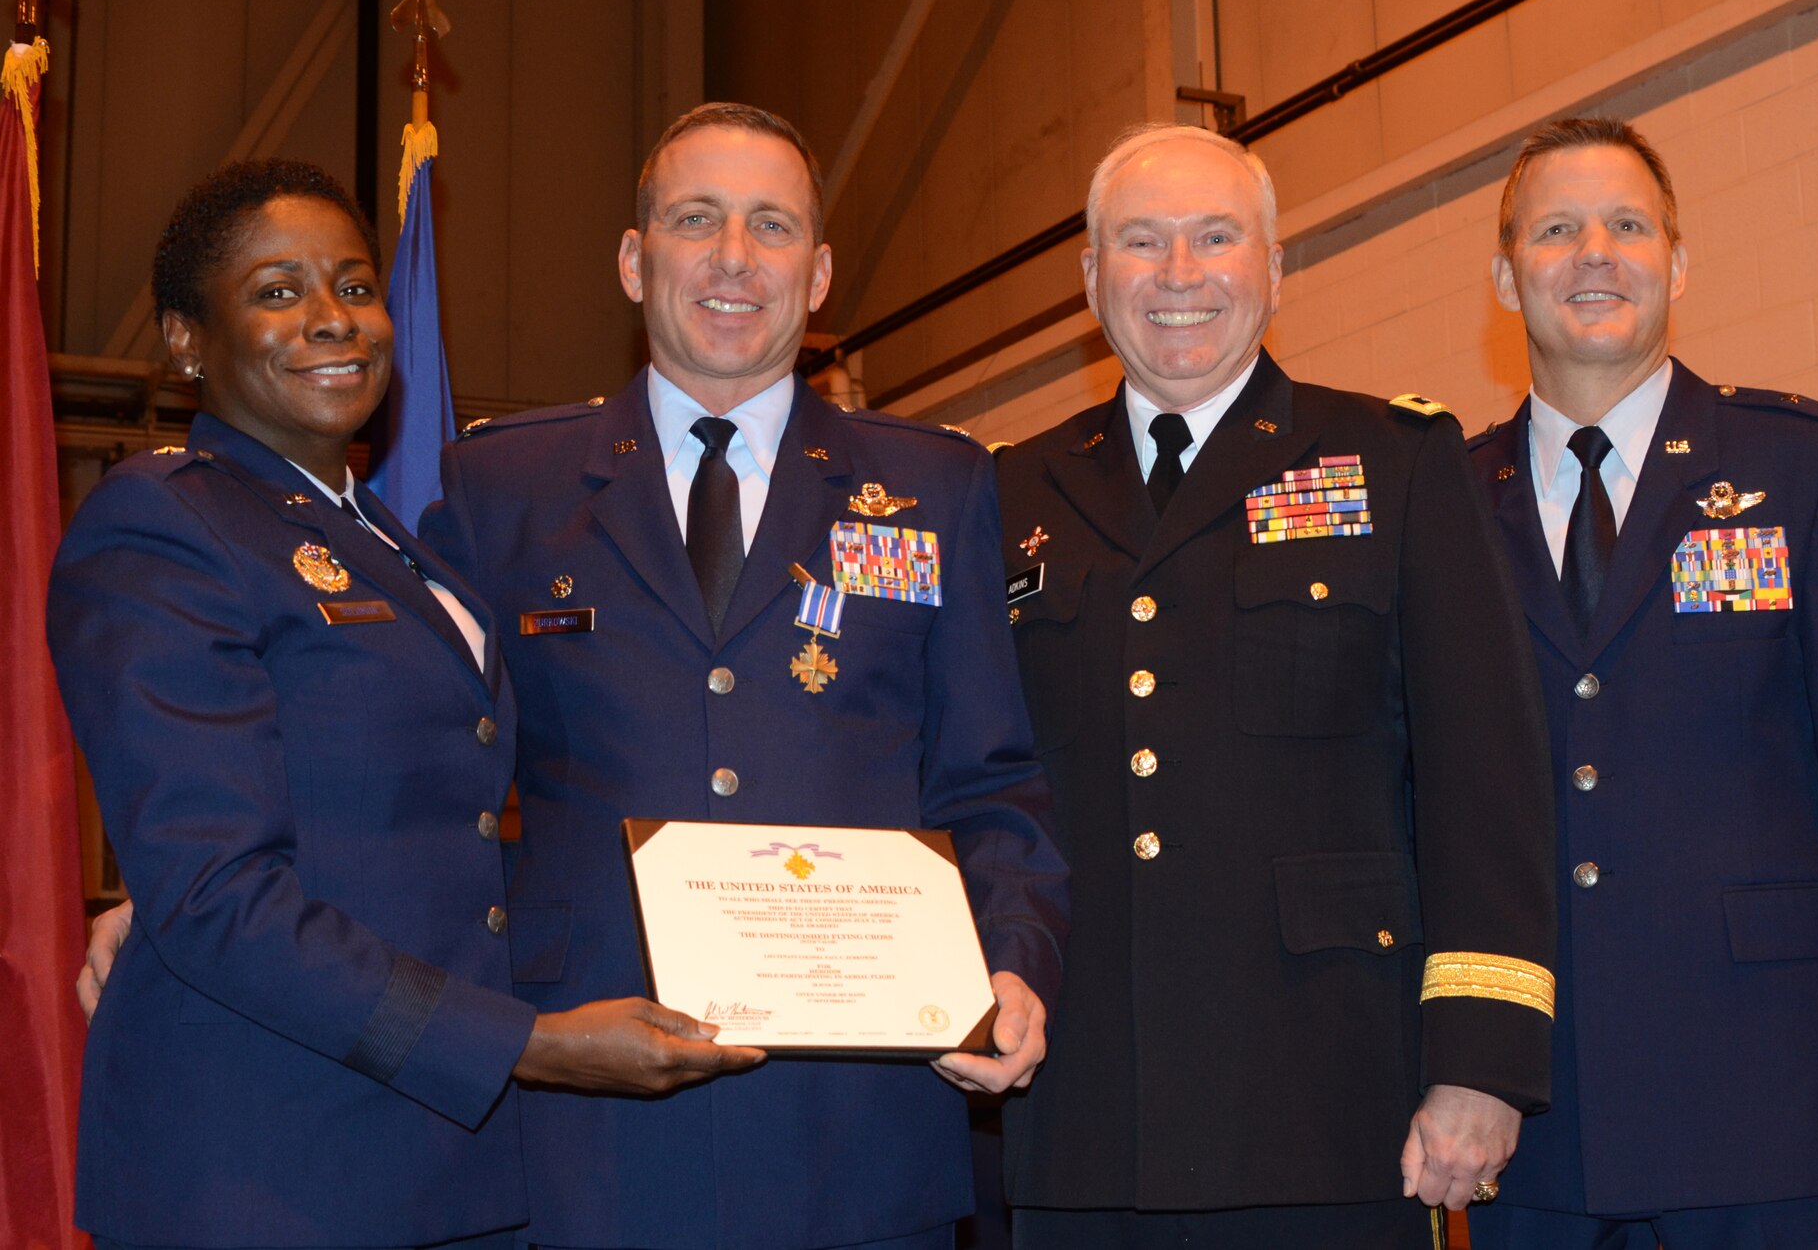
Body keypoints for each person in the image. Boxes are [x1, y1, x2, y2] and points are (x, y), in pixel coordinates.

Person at [50, 160, 758, 1250]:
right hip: (265, 1167)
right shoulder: (163, 526)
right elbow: (217, 890)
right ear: (189, 341)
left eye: (353, 285)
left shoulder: (393, 546)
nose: (333, 320)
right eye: (277, 292)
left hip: (430, 1158)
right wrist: (534, 1043)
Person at [425, 104, 1066, 1250]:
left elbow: (989, 779)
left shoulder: (937, 487)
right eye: (695, 219)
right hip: (586, 1117)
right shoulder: (500, 486)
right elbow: (416, 771)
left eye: (771, 226)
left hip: (857, 1122)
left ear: (816, 276)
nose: (732, 257)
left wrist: (1014, 963)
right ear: (635, 259)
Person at [993, 122, 1558, 1249]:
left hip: (1323, 1093)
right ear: (1090, 278)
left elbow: (1482, 776)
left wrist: (1481, 1061)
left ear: (1273, 265)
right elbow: (981, 782)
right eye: (1140, 243)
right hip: (1078, 1105)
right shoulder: (1008, 491)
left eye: (1214, 238)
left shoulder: (1393, 460)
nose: (1178, 275)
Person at [1463, 116, 1818, 1249]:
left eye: (1626, 225)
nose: (1593, 251)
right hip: (1532, 1110)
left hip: (1777, 1087)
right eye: (1554, 229)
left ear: (1675, 263)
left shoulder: (1805, 464)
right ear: (1506, 278)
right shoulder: (1444, 504)